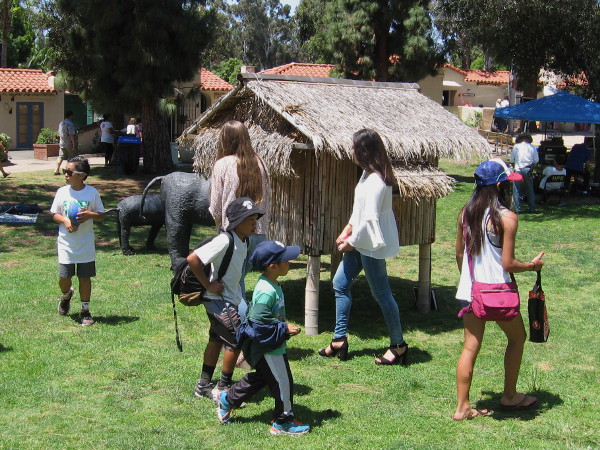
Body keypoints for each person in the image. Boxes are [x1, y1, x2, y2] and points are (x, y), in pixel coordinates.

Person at [453, 158, 544, 420]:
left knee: (470, 346)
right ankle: (510, 395)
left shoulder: (464, 213)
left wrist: (469, 281)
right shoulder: (507, 217)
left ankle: (462, 407)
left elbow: (460, 254)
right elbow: (508, 264)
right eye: (506, 183)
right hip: (499, 293)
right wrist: (531, 266)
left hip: (472, 292)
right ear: (500, 186)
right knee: (517, 338)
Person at [318, 129, 407, 365]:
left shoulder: (377, 180)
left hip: (371, 244)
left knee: (382, 294)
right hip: (360, 240)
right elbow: (359, 210)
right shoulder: (367, 174)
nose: (352, 152)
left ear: (364, 150)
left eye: (354, 148)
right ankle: (339, 339)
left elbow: (370, 219)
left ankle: (398, 345)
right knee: (340, 284)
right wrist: (348, 227)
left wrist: (350, 242)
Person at [216, 240, 310, 436]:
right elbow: (258, 323)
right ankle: (282, 421)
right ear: (272, 266)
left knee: (262, 377)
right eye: (285, 260)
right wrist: (283, 328)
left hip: (270, 345)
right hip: (269, 348)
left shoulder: (270, 282)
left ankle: (227, 400)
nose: (289, 262)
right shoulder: (267, 292)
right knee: (283, 382)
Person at [187, 197, 264, 400]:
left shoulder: (244, 240)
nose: (254, 223)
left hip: (230, 299)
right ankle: (223, 388)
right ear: (237, 221)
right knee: (234, 341)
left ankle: (203, 385)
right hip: (217, 300)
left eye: (255, 218)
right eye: (250, 219)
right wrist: (208, 285)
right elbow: (192, 259)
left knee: (216, 339)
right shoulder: (224, 240)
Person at [209, 120, 271, 313]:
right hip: (258, 234)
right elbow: (268, 200)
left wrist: (220, 226)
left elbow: (215, 206)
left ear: (225, 139)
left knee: (233, 289)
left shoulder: (223, 164)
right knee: (238, 283)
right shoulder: (260, 162)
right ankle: (242, 330)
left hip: (234, 235)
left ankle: (241, 331)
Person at [50, 156, 106, 326]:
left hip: (85, 243)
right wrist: (66, 221)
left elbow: (101, 215)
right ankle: (66, 295)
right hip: (66, 243)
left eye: (69, 172)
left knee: (84, 277)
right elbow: (54, 214)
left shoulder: (92, 193)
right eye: (64, 171)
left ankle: (85, 310)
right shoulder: (62, 192)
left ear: (81, 175)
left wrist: (89, 215)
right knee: (64, 278)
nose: (65, 174)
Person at [510, 133, 538, 213]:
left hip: (518, 168)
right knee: (529, 189)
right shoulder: (532, 147)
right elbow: (536, 160)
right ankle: (532, 208)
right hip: (528, 168)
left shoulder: (516, 147)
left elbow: (512, 160)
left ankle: (518, 208)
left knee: (516, 189)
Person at [53, 111, 77, 175]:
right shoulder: (70, 124)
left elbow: (59, 133)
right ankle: (68, 170)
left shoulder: (61, 123)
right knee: (71, 157)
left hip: (62, 143)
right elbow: (71, 134)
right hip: (69, 143)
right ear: (70, 116)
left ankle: (56, 170)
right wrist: (74, 144)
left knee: (61, 156)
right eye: (72, 116)